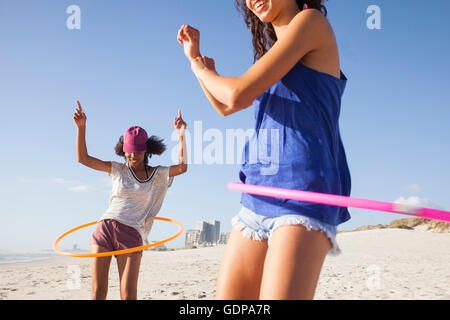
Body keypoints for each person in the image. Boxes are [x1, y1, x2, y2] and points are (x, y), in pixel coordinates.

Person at [177, 0, 351, 299]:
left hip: (304, 195)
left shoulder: (311, 22)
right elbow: (226, 106)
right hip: (257, 194)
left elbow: (236, 93)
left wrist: (197, 66)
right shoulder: (275, 55)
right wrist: (198, 64)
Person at [73, 101, 187, 300]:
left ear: (146, 151)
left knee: (128, 295)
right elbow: (83, 159)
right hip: (105, 228)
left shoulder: (157, 174)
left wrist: (181, 135)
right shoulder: (117, 169)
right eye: (129, 150)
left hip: (131, 233)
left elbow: (182, 167)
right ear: (123, 150)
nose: (132, 155)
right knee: (98, 292)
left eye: (137, 151)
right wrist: (81, 128)